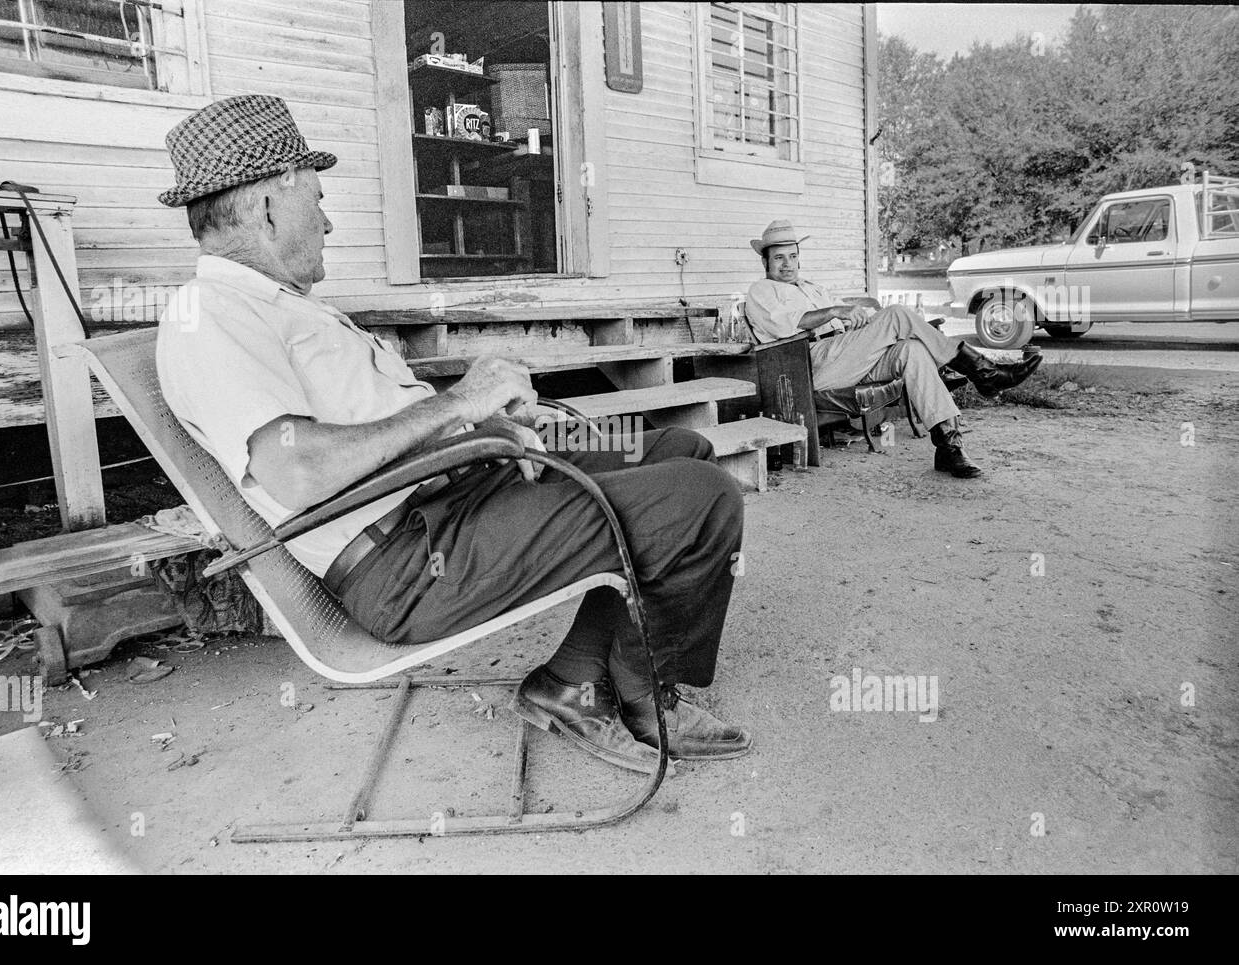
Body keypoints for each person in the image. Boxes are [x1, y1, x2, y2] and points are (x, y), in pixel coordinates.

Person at [154, 95, 751, 773]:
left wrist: (492, 425)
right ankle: (642, 695)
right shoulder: (208, 315)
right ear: (267, 205)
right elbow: (297, 472)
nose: (327, 219)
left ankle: (573, 682)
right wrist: (461, 403)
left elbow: (378, 430)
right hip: (410, 561)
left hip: (454, 495)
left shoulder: (281, 307)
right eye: (315, 199)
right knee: (701, 498)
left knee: (678, 449)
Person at [744, 220, 1042, 478]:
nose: (787, 264)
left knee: (912, 350)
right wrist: (835, 311)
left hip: (843, 356)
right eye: (779, 258)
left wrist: (860, 323)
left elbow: (842, 328)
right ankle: (984, 372)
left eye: (792, 257)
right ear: (765, 263)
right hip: (805, 366)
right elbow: (787, 326)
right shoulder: (761, 292)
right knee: (898, 314)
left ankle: (949, 446)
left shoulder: (812, 288)